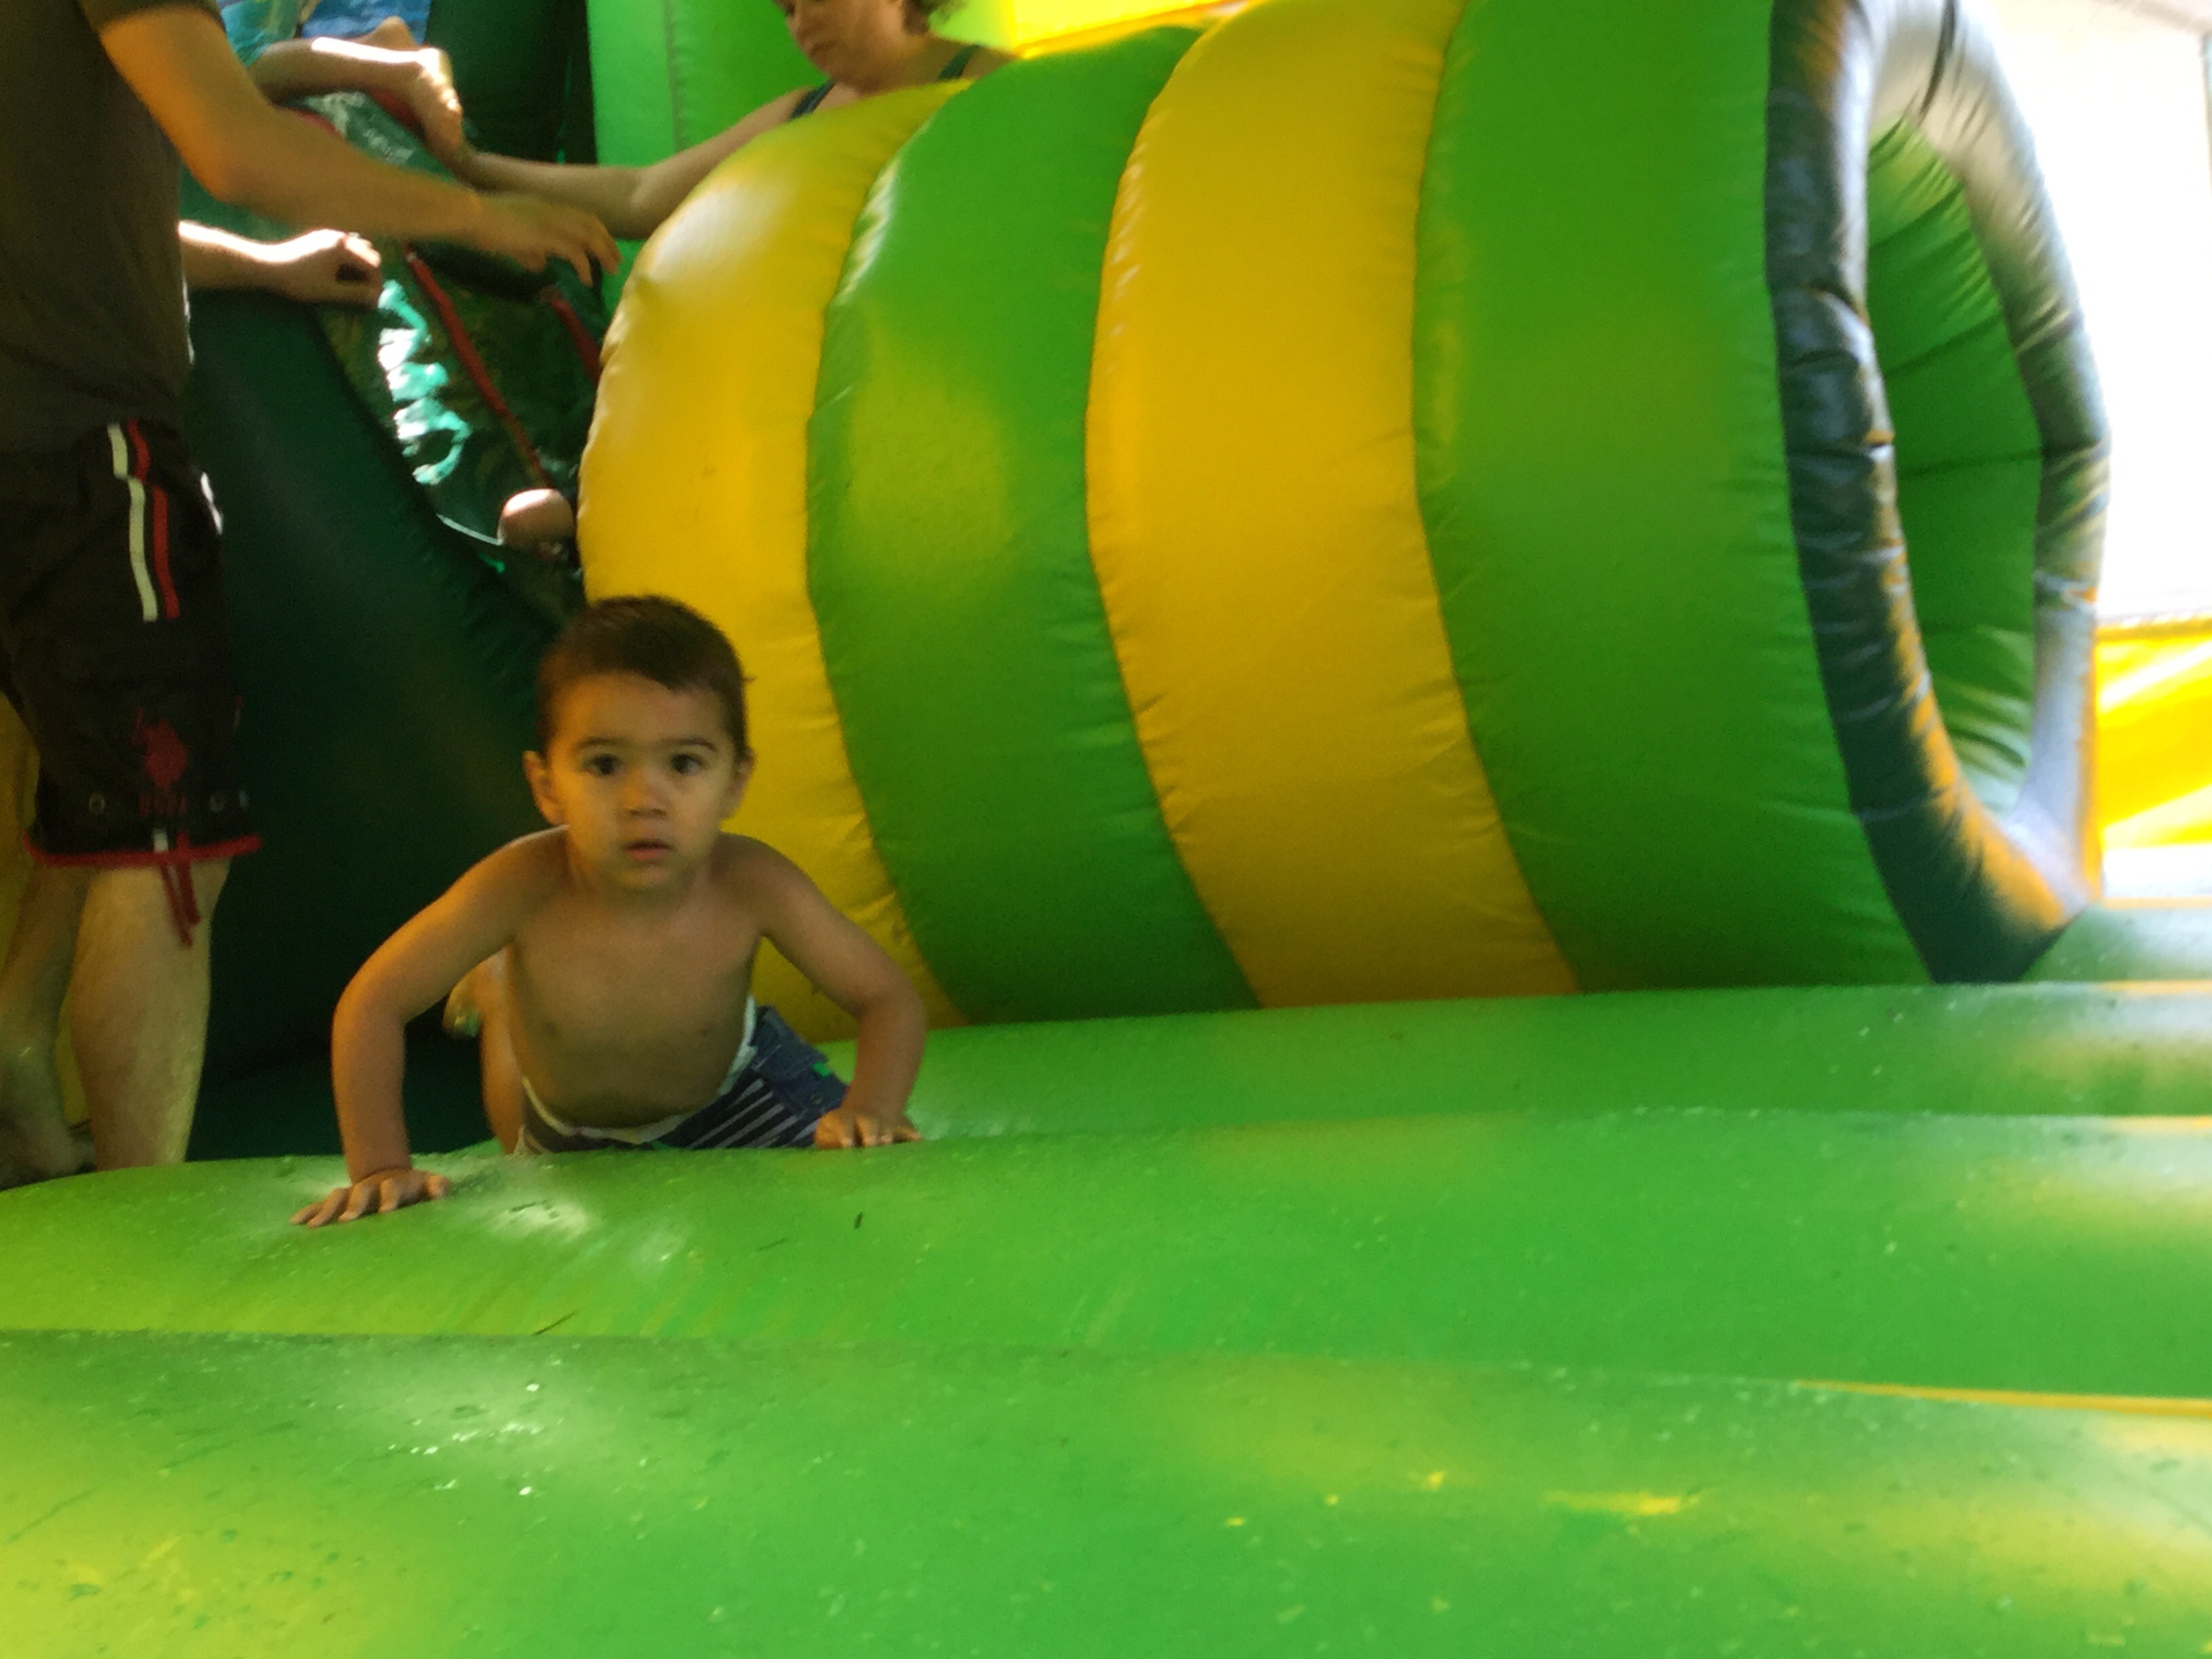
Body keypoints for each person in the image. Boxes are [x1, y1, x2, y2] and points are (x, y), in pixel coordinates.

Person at [0, 0, 619, 1187]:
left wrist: (263, 263)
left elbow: (82, 186)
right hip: (76, 437)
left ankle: (19, 1046)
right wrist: (477, 213)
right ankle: (141, 1213)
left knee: (86, 774)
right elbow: (230, 145)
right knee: (167, 839)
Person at [290, 596, 927, 1227]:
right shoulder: (518, 887)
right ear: (547, 786)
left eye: (684, 763)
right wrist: (380, 1166)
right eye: (604, 765)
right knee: (516, 1145)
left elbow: (886, 997)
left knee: (850, 1200)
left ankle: (499, 984)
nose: (643, 799)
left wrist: (873, 1107)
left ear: (735, 781)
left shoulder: (754, 883)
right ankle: (498, 990)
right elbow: (373, 1003)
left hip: (736, 1096)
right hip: (568, 1129)